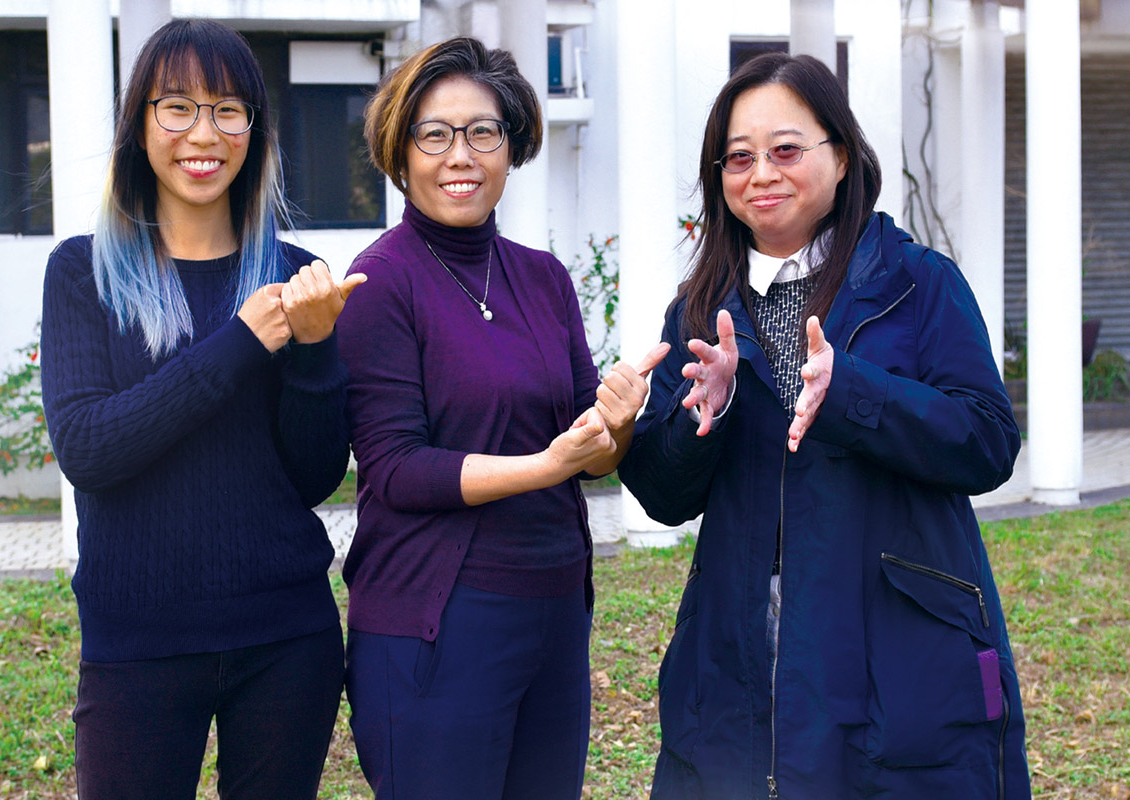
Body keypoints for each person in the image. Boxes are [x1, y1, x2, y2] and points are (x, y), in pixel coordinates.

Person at [617, 52, 1031, 798]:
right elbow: (663, 495)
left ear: (840, 156)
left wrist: (855, 392)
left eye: (786, 150)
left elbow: (988, 442)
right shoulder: (698, 309)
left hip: (892, 639)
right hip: (741, 639)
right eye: (738, 158)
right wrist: (702, 419)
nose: (761, 173)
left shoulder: (917, 284)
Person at [40, 18, 364, 800]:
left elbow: (316, 475)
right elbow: (87, 448)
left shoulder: (294, 277)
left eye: (228, 109)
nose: (204, 133)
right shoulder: (84, 273)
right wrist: (242, 342)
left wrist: (316, 346)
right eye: (177, 106)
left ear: (253, 130)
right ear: (140, 126)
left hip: (287, 636)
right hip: (137, 644)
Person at [334, 36, 663, 800]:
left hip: (552, 606)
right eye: (436, 133)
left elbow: (594, 445)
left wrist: (614, 423)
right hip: (435, 620)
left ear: (511, 145)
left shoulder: (542, 277)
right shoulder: (380, 282)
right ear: (402, 149)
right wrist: (549, 465)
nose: (461, 154)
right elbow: (396, 469)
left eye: (483, 131)